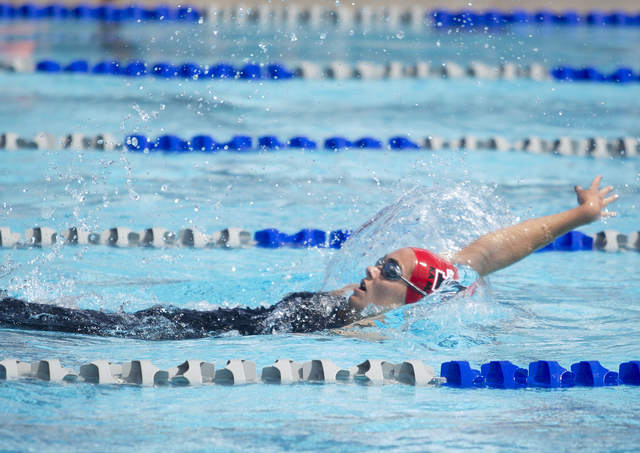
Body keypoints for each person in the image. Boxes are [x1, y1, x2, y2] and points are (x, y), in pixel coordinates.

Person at [0, 176, 617, 340]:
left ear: (408, 297)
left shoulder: (359, 323)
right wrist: (581, 217)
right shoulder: (443, 280)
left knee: (88, 326)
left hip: (214, 334)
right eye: (383, 261)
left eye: (390, 272)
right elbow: (497, 247)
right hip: (227, 319)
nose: (373, 268)